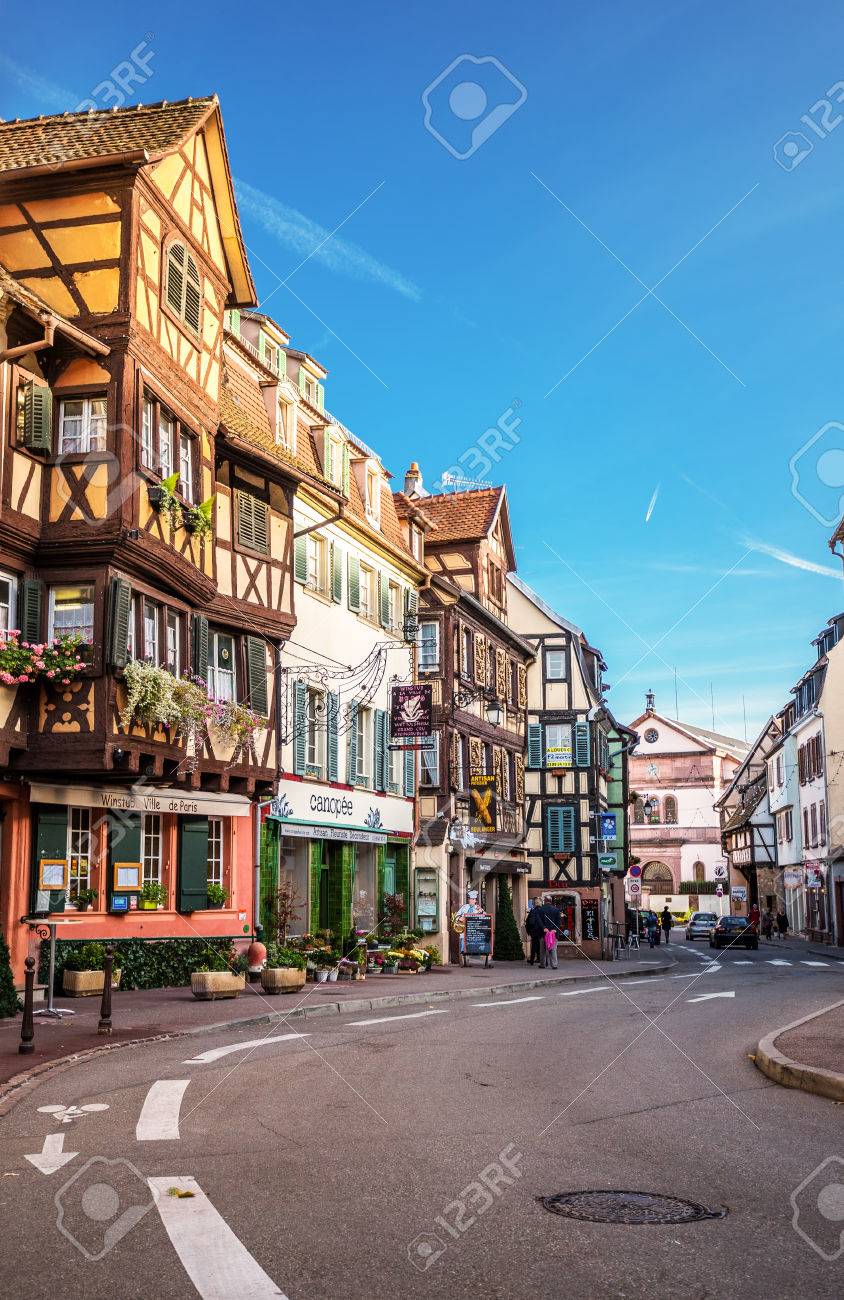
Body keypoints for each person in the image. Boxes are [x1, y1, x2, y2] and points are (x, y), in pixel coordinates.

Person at [534, 898, 562, 970]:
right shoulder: (556, 910)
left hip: (543, 933)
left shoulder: (540, 909)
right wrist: (555, 930)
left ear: (545, 901)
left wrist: (543, 928)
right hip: (553, 933)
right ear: (551, 901)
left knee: (542, 949)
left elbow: (538, 920)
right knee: (553, 949)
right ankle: (554, 965)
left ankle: (542, 964)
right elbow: (559, 922)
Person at [525, 899, 544, 965]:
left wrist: (530, 931)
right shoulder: (543, 910)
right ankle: (540, 959)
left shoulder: (533, 911)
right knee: (541, 946)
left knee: (534, 946)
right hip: (542, 931)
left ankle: (532, 960)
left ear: (534, 904)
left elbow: (530, 922)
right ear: (540, 903)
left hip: (535, 931)